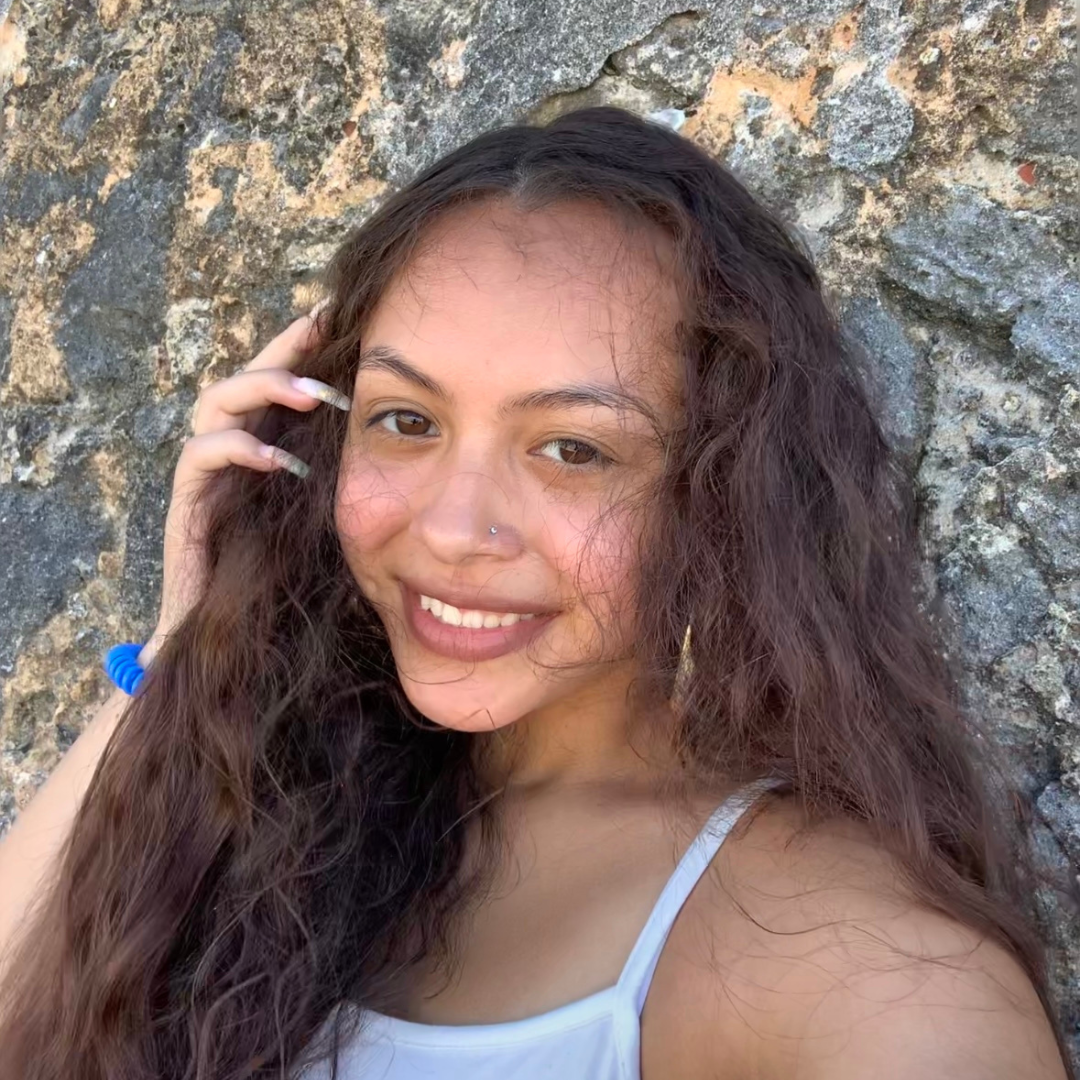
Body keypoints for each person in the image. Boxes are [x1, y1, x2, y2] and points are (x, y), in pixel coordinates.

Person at [0, 105, 1071, 1080]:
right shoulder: (299, 800)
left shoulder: (833, 953)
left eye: (572, 448)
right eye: (405, 421)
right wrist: (187, 639)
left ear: (724, 494)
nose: (455, 530)